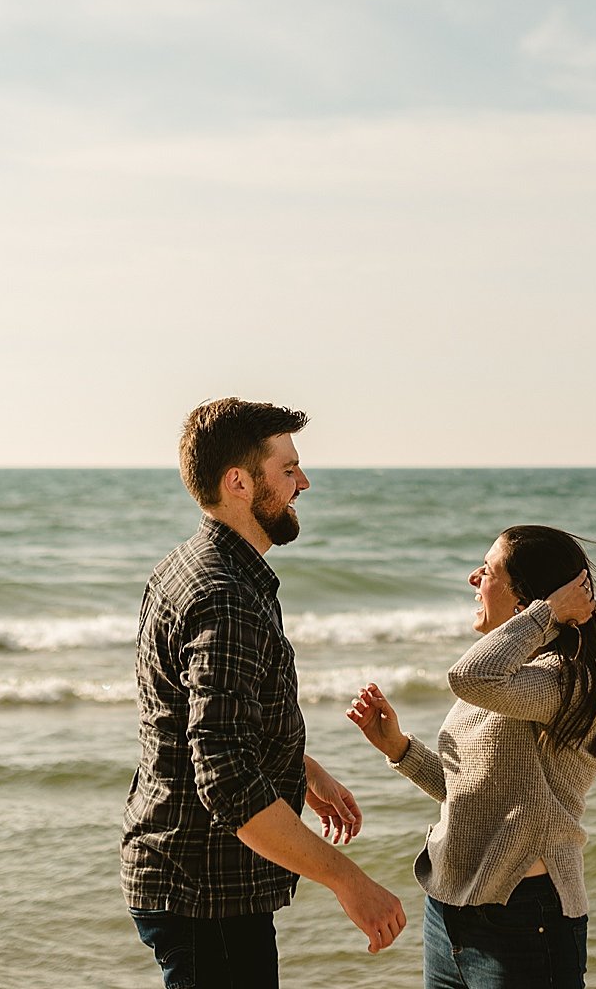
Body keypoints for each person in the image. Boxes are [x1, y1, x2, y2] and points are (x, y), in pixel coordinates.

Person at [123, 397, 407, 987]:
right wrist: (350, 882)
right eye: (288, 470)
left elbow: (199, 723)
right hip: (207, 893)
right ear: (238, 482)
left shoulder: (190, 566)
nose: (304, 482)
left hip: (197, 882)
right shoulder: (224, 594)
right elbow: (225, 781)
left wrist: (299, 766)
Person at [347, 525, 596, 989]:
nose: (474, 578)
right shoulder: (517, 676)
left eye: (490, 570)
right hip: (449, 913)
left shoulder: (568, 679)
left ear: (527, 599)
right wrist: (399, 748)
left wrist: (551, 611)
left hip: (524, 916)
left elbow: (467, 675)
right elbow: (475, 792)